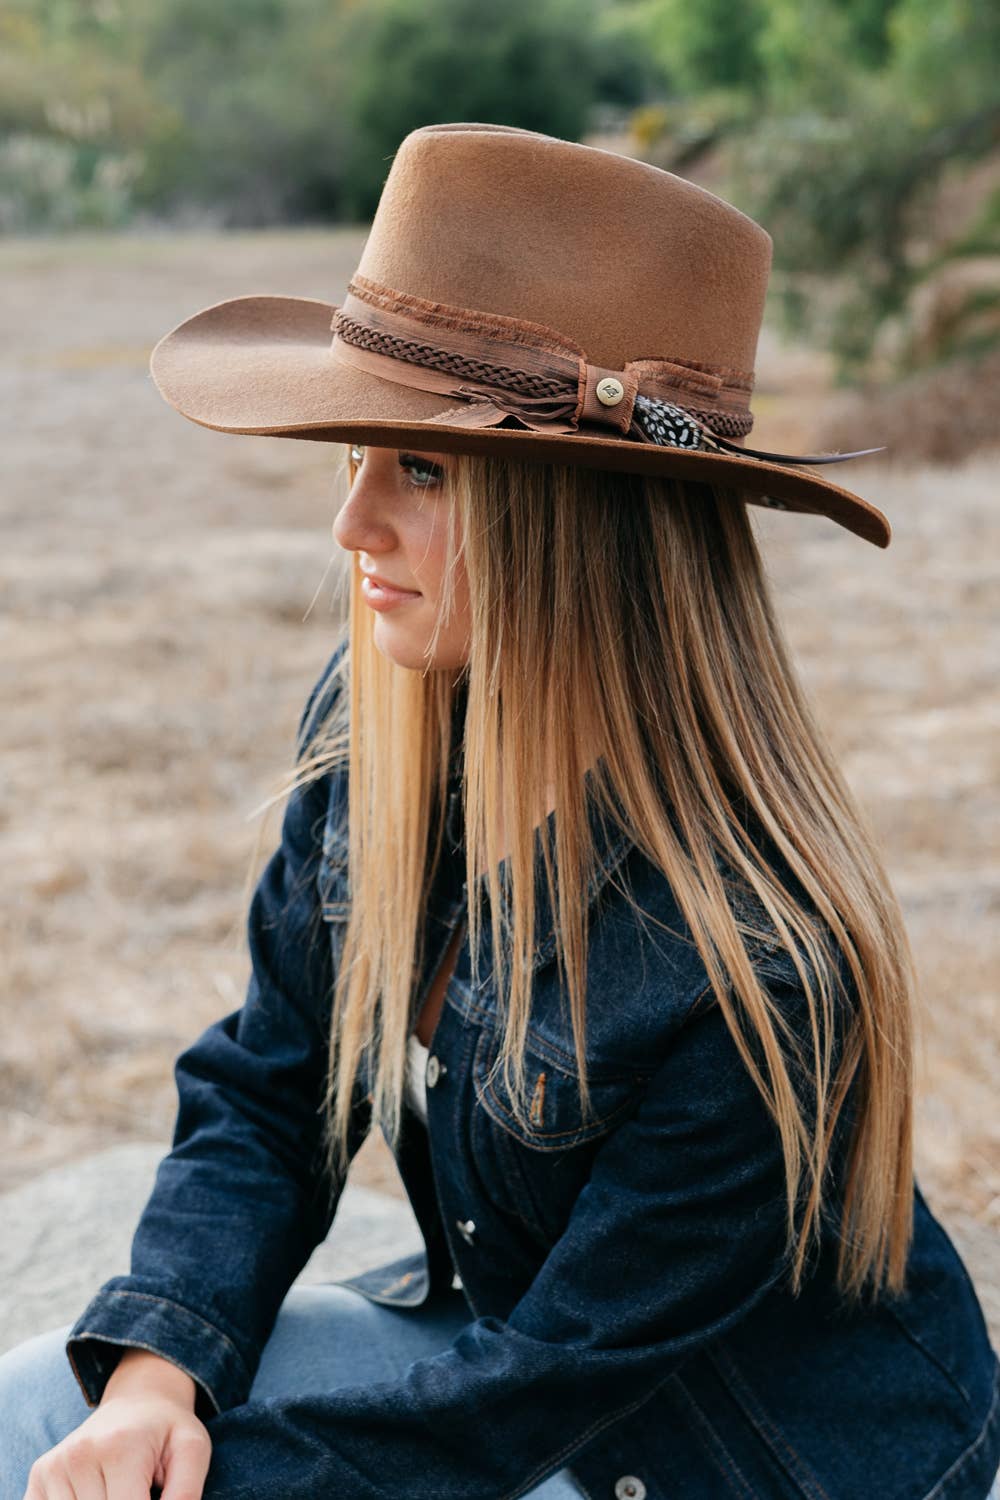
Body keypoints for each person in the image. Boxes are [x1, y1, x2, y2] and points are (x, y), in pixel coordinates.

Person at [2, 122, 997, 1500]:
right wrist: (156, 1382)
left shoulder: (754, 965)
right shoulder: (377, 742)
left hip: (737, 1463)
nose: (353, 526)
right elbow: (266, 1091)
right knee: (41, 1409)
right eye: (354, 455)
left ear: (580, 525)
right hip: (513, 1368)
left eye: (420, 469)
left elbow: (532, 1408)